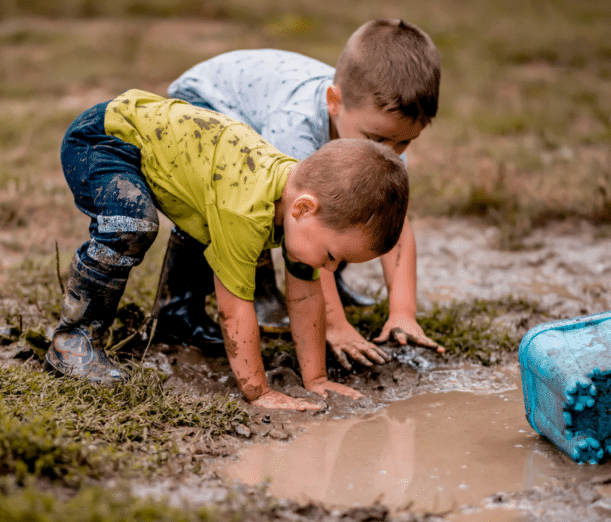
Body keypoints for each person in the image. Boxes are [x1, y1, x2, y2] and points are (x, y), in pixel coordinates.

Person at [46, 89, 410, 411]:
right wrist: (258, 391)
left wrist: (315, 381)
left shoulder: (297, 204)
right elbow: (234, 308)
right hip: (105, 139)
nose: (331, 267)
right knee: (133, 223)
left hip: (163, 153)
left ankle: (176, 319)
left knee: (207, 226)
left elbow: (304, 297)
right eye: (333, 255)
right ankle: (72, 338)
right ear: (303, 208)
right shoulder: (245, 210)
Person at [157, 18, 446, 369]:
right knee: (241, 204)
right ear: (334, 102)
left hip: (259, 105)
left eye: (405, 142)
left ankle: (330, 286)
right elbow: (310, 226)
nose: (391, 152)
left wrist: (402, 313)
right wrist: (335, 328)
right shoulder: (296, 128)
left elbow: (394, 222)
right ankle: (189, 307)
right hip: (208, 103)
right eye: (378, 140)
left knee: (354, 205)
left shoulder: (380, 133)